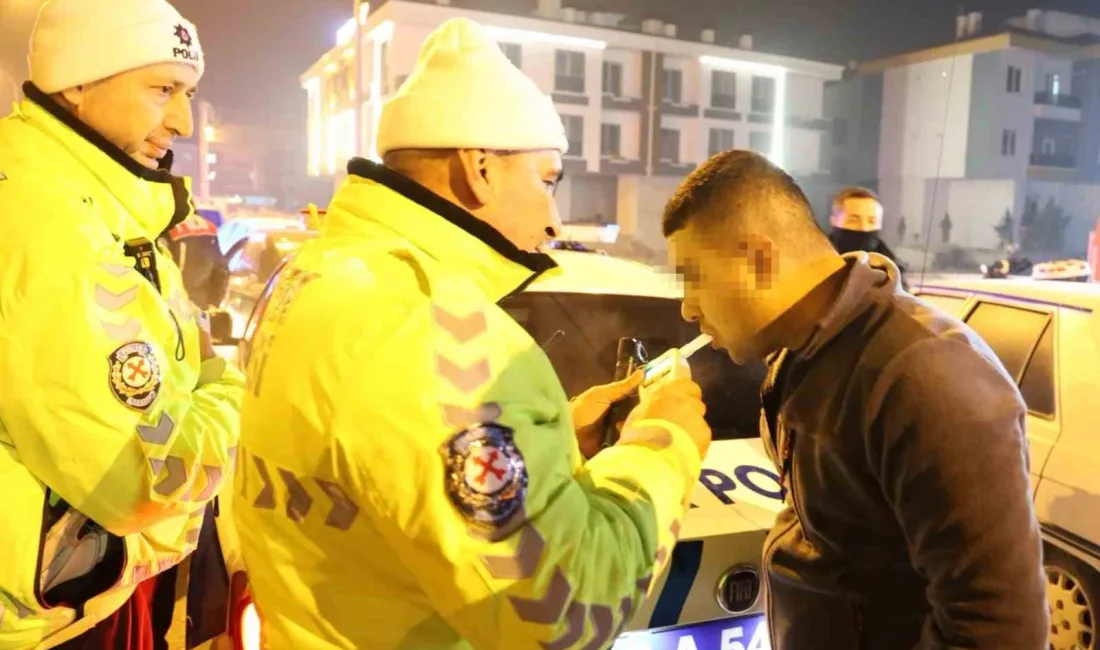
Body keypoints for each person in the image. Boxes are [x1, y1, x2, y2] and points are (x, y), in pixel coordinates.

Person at [232, 17, 711, 649]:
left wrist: (554, 436)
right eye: (546, 181)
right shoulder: (434, 329)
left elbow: (388, 472)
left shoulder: (319, 272)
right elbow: (570, 611)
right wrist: (662, 443)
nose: (552, 220)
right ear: (479, 168)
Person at [662, 150, 1048, 650]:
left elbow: (998, 628)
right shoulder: (800, 353)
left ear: (758, 260)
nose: (688, 307)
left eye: (696, 279)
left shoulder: (925, 376)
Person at [0, 0, 244, 647]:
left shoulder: (94, 208)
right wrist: (232, 396)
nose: (183, 121)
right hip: (50, 623)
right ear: (76, 81)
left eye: (187, 93)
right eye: (161, 89)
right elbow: (146, 483)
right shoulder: (60, 232)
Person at [828, 187, 910, 289]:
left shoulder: (892, 270)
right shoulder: (815, 261)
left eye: (872, 221)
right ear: (834, 221)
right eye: (853, 220)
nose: (864, 228)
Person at [163, 211, 231, 309]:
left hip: (171, 306)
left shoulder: (162, 225)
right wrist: (213, 303)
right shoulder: (207, 227)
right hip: (198, 306)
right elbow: (221, 270)